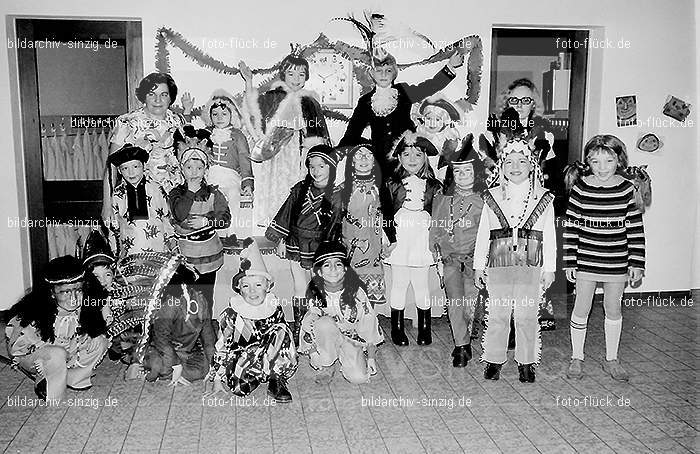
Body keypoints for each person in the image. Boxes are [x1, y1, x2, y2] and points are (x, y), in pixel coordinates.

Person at [473, 136, 556, 383]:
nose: (515, 166)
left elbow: (549, 235)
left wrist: (549, 268)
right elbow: (483, 234)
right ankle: (494, 359)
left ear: (531, 165)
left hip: (531, 262)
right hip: (499, 261)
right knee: (498, 313)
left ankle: (527, 362)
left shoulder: (544, 197)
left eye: (521, 161)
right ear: (502, 165)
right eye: (509, 162)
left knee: (527, 314)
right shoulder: (492, 195)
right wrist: (479, 265)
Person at [563, 135, 646, 381]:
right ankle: (577, 356)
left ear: (619, 160)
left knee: (613, 308)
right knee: (581, 308)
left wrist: (637, 263)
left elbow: (635, 229)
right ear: (588, 162)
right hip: (586, 261)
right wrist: (570, 261)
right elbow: (571, 228)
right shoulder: (580, 188)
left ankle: (612, 359)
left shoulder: (627, 189)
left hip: (616, 263)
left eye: (608, 161)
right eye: (596, 162)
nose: (602, 168)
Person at [239, 52, 331, 227]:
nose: (296, 79)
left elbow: (319, 135)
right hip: (277, 155)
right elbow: (253, 113)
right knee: (277, 191)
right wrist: (249, 82)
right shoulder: (272, 97)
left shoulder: (310, 102)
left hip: (301, 156)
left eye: (301, 74)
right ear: (283, 75)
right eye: (291, 74)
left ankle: (295, 229)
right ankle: (276, 228)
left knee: (298, 192)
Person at [339, 49, 464, 176]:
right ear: (372, 73)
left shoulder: (403, 91)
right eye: (379, 71)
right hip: (381, 162)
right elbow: (352, 133)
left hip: (409, 157)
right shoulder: (365, 101)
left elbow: (429, 87)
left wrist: (450, 67)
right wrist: (334, 155)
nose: (383, 75)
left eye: (388, 71)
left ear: (394, 73)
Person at [265, 144, 342, 345]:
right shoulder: (300, 189)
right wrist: (281, 239)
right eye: (312, 166)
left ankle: (320, 329)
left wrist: (329, 253)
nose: (316, 171)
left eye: (322, 166)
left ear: (332, 167)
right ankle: (300, 329)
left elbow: (335, 227)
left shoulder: (337, 195)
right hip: (296, 243)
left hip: (321, 246)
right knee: (300, 287)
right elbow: (287, 214)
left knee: (320, 288)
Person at [6, 256, 109, 401]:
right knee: (56, 354)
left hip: (68, 352)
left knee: (101, 342)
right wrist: (52, 352)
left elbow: (94, 326)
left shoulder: (85, 306)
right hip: (39, 356)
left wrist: (95, 334)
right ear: (52, 292)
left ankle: (74, 377)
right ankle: (50, 387)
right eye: (66, 292)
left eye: (78, 290)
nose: (73, 297)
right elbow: (17, 348)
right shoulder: (35, 314)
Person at [206, 238, 296, 402]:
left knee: (281, 330)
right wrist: (218, 378)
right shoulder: (231, 314)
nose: (252, 291)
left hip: (270, 354)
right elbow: (222, 345)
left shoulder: (273, 307)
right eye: (246, 286)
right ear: (239, 289)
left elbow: (283, 341)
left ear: (267, 287)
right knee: (239, 389)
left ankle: (276, 378)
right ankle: (258, 374)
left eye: (258, 285)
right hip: (245, 357)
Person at [429, 136, 487, 367]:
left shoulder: (485, 200)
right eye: (458, 171)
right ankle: (461, 346)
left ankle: (471, 336)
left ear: (476, 173)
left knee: (470, 304)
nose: (463, 175)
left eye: (468, 171)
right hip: (451, 261)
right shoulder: (442, 200)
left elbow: (490, 234)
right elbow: (436, 228)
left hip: (475, 261)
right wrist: (436, 252)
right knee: (455, 303)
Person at [382, 131, 442, 346]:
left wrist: (437, 243)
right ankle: (397, 328)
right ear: (399, 158)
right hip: (399, 238)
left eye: (418, 155)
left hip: (422, 239)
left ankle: (425, 328)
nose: (412, 160)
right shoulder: (390, 184)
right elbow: (386, 215)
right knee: (398, 284)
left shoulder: (435, 186)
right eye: (406, 155)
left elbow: (440, 216)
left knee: (421, 285)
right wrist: (387, 240)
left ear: (425, 158)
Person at [103, 72, 186, 223]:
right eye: (152, 94)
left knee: (173, 242)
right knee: (145, 241)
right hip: (139, 194)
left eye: (164, 94)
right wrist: (107, 205)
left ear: (170, 97)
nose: (157, 100)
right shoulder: (126, 122)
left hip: (174, 195)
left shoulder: (177, 120)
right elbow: (111, 166)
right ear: (144, 96)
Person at [299, 241, 383, 384]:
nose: (333, 269)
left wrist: (370, 357)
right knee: (324, 324)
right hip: (327, 337)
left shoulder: (357, 292)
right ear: (319, 271)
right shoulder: (316, 294)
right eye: (327, 265)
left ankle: (350, 356)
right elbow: (309, 323)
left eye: (338, 264)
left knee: (359, 378)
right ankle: (327, 362)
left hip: (352, 338)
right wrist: (312, 352)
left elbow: (369, 322)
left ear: (345, 268)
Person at [169, 126, 230, 310]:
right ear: (182, 169)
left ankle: (205, 332)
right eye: (189, 167)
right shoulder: (175, 193)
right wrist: (190, 192)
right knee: (184, 299)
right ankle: (186, 335)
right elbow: (179, 215)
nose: (194, 172)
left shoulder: (214, 193)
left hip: (208, 254)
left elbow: (225, 219)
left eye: (199, 167)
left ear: (205, 168)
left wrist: (207, 221)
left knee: (205, 299)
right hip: (185, 254)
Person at [338, 141, 394, 308]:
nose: (364, 158)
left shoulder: (382, 187)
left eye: (368, 155)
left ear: (374, 160)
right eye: (359, 155)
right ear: (352, 161)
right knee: (349, 297)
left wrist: (390, 240)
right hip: (349, 249)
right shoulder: (342, 188)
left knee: (370, 299)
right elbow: (335, 220)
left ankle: (369, 329)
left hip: (373, 250)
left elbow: (388, 216)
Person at [142, 263, 217, 385]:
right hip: (163, 350)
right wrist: (176, 364)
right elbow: (161, 338)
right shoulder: (169, 304)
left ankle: (172, 373)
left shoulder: (201, 300)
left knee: (203, 369)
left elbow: (208, 336)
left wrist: (212, 364)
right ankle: (169, 370)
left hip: (187, 351)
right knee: (158, 366)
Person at [201, 90, 254, 240]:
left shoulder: (237, 135)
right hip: (210, 176)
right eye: (215, 114)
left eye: (224, 114)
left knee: (234, 196)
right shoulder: (205, 133)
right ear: (209, 116)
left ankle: (233, 233)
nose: (219, 118)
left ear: (232, 115)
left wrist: (247, 183)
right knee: (209, 200)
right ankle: (212, 235)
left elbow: (244, 159)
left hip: (230, 177)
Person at [109, 144, 177, 260]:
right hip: (130, 254)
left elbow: (167, 218)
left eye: (135, 166)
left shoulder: (157, 189)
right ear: (119, 171)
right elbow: (113, 228)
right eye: (125, 168)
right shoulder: (117, 196)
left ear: (144, 166)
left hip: (158, 251)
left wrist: (173, 245)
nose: (131, 172)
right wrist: (115, 252)